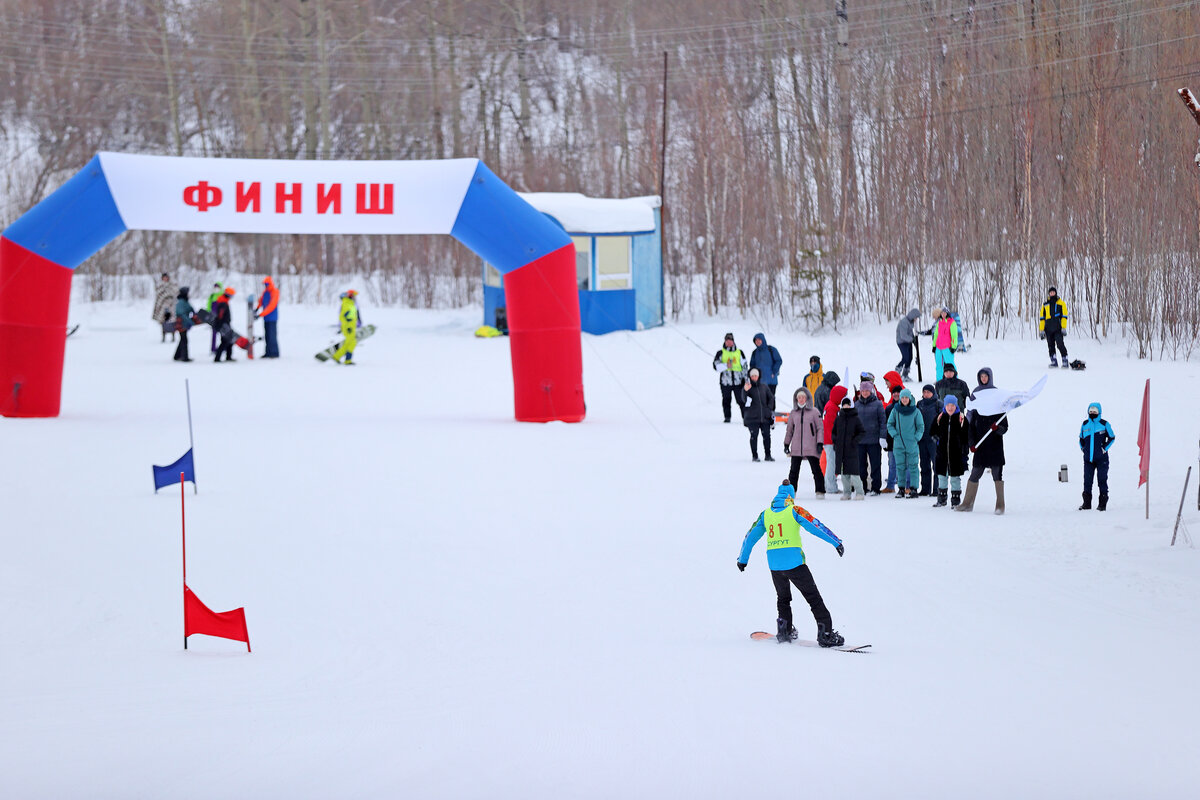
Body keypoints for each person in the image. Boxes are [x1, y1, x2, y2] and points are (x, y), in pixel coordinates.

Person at [736, 479, 845, 647]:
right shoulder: (794, 510)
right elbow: (815, 525)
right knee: (813, 598)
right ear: (791, 496)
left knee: (783, 598)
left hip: (774, 564)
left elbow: (750, 536)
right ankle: (826, 634)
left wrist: (742, 560)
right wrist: (836, 541)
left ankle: (784, 631)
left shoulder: (766, 514)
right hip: (795, 563)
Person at [957, 368, 1008, 514]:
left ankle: (1000, 506)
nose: (984, 378)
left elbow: (1005, 427)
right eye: (981, 376)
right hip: (980, 444)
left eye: (986, 376)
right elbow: (971, 423)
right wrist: (971, 443)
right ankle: (967, 503)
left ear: (990, 377)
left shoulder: (997, 395)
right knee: (975, 473)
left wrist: (997, 428)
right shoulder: (976, 394)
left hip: (995, 444)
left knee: (997, 474)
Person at [784, 388, 825, 499]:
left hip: (811, 446)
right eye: (799, 397)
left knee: (816, 470)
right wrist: (786, 444)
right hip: (797, 447)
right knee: (793, 471)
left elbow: (820, 428)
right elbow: (789, 430)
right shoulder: (793, 413)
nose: (801, 399)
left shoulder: (814, 412)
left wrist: (820, 442)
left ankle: (820, 491)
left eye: (803, 397)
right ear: (796, 399)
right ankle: (791, 493)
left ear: (807, 398)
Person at [931, 395, 969, 507]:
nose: (950, 408)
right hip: (942, 454)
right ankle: (941, 499)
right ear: (945, 406)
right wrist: (937, 440)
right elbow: (932, 431)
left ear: (956, 405)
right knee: (942, 476)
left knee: (955, 478)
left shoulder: (961, 418)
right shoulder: (940, 417)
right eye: (948, 405)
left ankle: (955, 500)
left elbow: (966, 436)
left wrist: (963, 449)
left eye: (952, 405)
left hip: (956, 454)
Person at [887, 388, 925, 499]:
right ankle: (901, 489)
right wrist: (894, 434)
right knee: (900, 467)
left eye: (906, 398)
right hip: (898, 444)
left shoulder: (916, 411)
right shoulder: (895, 410)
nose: (904, 400)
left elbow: (920, 427)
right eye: (902, 397)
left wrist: (916, 438)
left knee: (913, 466)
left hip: (912, 444)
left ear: (910, 398)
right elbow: (890, 424)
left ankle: (913, 489)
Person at [1078, 402, 1115, 511]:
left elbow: (1112, 438)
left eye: (1095, 411)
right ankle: (1086, 503)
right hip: (1088, 459)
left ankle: (1102, 504)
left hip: (1101, 459)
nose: (1092, 413)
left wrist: (1104, 449)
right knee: (1087, 481)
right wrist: (1083, 449)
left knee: (1102, 480)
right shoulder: (1085, 424)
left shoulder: (1104, 424)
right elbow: (1081, 439)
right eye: (1091, 411)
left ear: (1099, 412)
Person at [854, 380, 887, 494]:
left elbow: (883, 421)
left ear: (871, 391)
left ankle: (875, 488)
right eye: (862, 390)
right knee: (861, 467)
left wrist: (883, 437)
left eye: (867, 390)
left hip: (874, 440)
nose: (865, 392)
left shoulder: (877, 404)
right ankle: (863, 487)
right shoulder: (857, 405)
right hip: (860, 441)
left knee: (875, 465)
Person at [832, 395, 865, 500]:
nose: (846, 406)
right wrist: (836, 441)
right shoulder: (838, 418)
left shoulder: (855, 419)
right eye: (844, 405)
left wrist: (854, 441)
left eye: (848, 404)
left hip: (852, 450)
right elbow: (834, 432)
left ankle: (860, 492)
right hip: (841, 451)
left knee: (855, 474)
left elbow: (862, 432)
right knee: (844, 474)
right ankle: (847, 493)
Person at [712, 333, 746, 423]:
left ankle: (745, 417)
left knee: (741, 400)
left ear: (733, 341)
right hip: (725, 382)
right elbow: (715, 366)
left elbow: (745, 366)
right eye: (727, 340)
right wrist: (726, 365)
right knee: (726, 400)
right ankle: (727, 417)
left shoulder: (739, 352)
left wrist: (746, 379)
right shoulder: (720, 353)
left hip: (738, 382)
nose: (728, 342)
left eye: (730, 340)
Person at [742, 367, 774, 462]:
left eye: (756, 375)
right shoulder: (747, 387)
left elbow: (771, 398)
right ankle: (754, 456)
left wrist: (769, 410)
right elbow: (743, 400)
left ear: (759, 376)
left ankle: (768, 455)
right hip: (752, 418)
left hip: (765, 417)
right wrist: (745, 391)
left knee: (767, 436)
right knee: (754, 436)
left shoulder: (764, 387)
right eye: (752, 376)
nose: (754, 377)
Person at [821, 385, 848, 494]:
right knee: (832, 465)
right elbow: (831, 427)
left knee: (831, 464)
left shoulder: (831, 405)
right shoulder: (832, 408)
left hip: (829, 440)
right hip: (831, 441)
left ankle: (828, 485)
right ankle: (831, 487)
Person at [882, 372, 906, 493]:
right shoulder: (890, 407)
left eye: (887, 382)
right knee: (892, 463)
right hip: (892, 440)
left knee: (905, 463)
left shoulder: (906, 401)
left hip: (904, 439)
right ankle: (890, 485)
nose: (886, 385)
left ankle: (907, 486)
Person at [916, 384, 940, 496]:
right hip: (922, 439)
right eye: (924, 392)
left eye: (928, 392)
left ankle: (937, 489)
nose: (926, 394)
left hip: (934, 440)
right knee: (924, 465)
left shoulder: (938, 404)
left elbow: (943, 420)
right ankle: (925, 489)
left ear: (933, 393)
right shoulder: (919, 404)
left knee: (936, 466)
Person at [748, 333, 782, 406]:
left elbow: (779, 361)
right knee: (760, 400)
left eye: (759, 340)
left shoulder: (771, 350)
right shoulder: (754, 353)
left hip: (771, 380)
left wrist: (774, 371)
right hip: (759, 381)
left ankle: (771, 415)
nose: (758, 342)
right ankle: (762, 416)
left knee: (771, 398)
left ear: (763, 340)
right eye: (756, 341)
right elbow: (752, 365)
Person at [1039, 286, 1070, 368]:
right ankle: (1054, 361)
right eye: (1050, 292)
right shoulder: (1045, 304)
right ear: (1049, 293)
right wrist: (1041, 330)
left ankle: (1065, 360)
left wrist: (1063, 327)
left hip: (1058, 328)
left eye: (1053, 292)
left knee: (1060, 344)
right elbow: (1042, 318)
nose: (1052, 293)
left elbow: (1064, 316)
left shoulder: (1061, 303)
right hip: (1048, 329)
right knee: (1050, 345)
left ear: (1056, 293)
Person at [925, 307, 960, 378]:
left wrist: (953, 346)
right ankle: (939, 381)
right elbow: (936, 335)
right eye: (942, 313)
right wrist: (934, 346)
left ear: (947, 313)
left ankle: (955, 379)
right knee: (939, 365)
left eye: (945, 313)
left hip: (947, 347)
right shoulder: (939, 322)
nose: (943, 314)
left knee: (950, 364)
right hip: (938, 347)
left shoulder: (952, 322)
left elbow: (954, 336)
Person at [331, 290, 362, 365]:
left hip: (351, 326)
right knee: (350, 342)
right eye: (354, 296)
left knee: (352, 342)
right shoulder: (347, 303)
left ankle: (346, 359)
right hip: (348, 327)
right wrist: (348, 326)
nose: (355, 298)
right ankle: (338, 357)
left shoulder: (350, 303)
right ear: (350, 296)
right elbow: (344, 316)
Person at [255, 276, 280, 358]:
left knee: (272, 335)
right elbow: (261, 301)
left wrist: (260, 314)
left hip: (272, 318)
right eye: (265, 284)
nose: (266, 286)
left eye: (267, 284)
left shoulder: (275, 292)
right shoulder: (265, 292)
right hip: (266, 318)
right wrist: (257, 308)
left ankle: (274, 353)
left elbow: (271, 306)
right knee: (267, 336)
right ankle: (268, 352)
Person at [211, 287, 236, 363]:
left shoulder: (224, 301)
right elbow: (220, 315)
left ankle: (228, 356)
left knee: (229, 340)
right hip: (223, 325)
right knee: (225, 341)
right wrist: (222, 325)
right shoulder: (223, 303)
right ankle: (217, 358)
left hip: (224, 324)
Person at [895, 308, 920, 381]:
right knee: (905, 358)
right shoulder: (904, 322)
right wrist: (912, 339)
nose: (916, 319)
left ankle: (905, 375)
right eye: (916, 317)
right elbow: (903, 335)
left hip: (908, 342)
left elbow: (909, 332)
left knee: (910, 358)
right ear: (913, 316)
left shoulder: (910, 322)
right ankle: (897, 372)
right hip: (902, 342)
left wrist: (914, 338)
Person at [153, 272, 178, 343]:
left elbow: (174, 293)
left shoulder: (172, 285)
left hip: (171, 307)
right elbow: (159, 295)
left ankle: (173, 336)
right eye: (164, 277)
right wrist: (166, 295)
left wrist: (168, 295)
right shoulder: (160, 286)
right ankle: (163, 336)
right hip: (163, 307)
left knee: (172, 322)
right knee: (163, 322)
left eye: (166, 277)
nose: (165, 279)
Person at [172, 287, 195, 362]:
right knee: (184, 340)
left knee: (183, 339)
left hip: (184, 322)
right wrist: (189, 321)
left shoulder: (185, 301)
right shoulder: (181, 302)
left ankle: (177, 356)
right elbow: (181, 314)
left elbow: (190, 308)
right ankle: (185, 357)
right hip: (181, 323)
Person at [205, 281, 224, 353]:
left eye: (217, 287)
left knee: (223, 333)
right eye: (215, 287)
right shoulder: (212, 295)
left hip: (221, 317)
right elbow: (209, 305)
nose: (216, 288)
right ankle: (213, 348)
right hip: (213, 317)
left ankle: (222, 348)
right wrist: (209, 314)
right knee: (214, 333)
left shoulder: (222, 295)